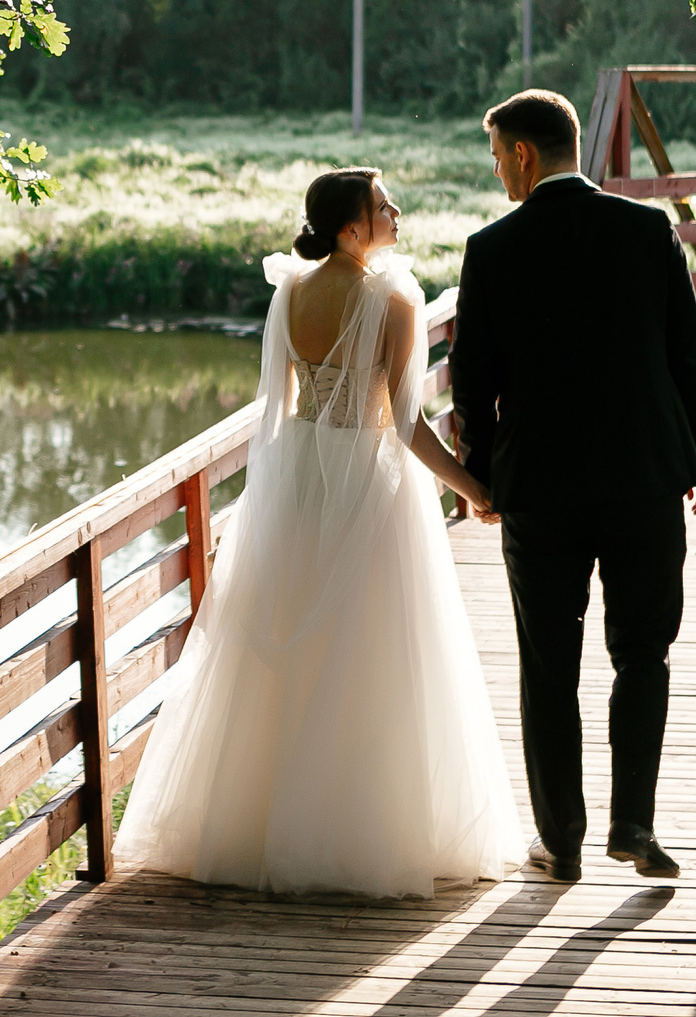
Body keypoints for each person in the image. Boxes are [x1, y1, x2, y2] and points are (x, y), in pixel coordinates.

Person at [114, 168, 526, 896]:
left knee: (289, 639)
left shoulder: (293, 290)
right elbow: (403, 422)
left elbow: (281, 400)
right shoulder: (393, 297)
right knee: (370, 647)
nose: (394, 211)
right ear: (349, 226)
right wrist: (475, 488)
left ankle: (260, 824)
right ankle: (357, 830)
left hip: (300, 472)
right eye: (380, 205)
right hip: (366, 479)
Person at [446, 89, 696, 884]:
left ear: (525, 153)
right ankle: (635, 822)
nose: (497, 169)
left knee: (549, 663)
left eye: (498, 154)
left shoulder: (491, 248)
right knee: (644, 652)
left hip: (541, 491)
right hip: (644, 480)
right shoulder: (646, 229)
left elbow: (473, 381)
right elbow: (688, 351)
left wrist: (484, 477)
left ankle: (561, 840)